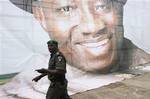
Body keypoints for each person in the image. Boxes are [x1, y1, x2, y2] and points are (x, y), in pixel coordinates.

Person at [0, 0, 150, 98]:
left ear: (119, 8)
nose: (92, 26)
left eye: (102, 5)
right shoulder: (21, 86)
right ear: (41, 16)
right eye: (66, 9)